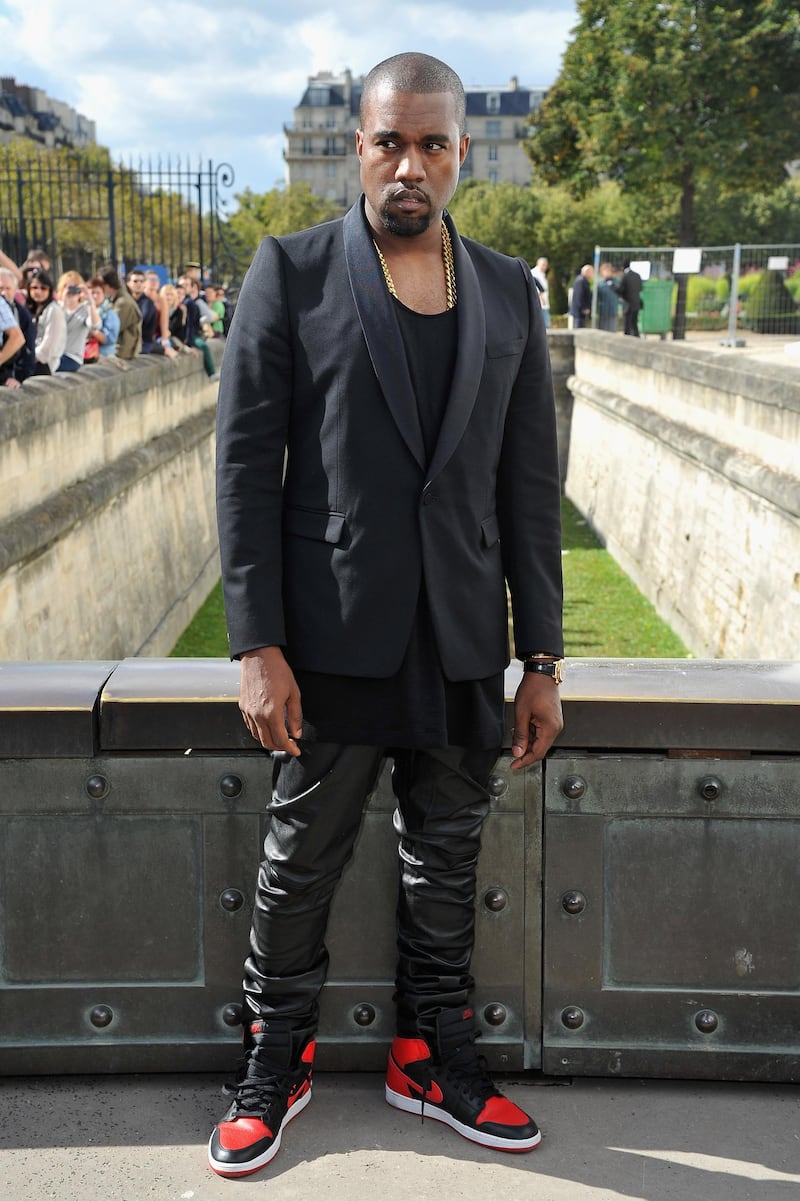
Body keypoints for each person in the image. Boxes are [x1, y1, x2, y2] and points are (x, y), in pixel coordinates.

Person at [209, 52, 564, 1180]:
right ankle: (273, 1063)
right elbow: (242, 471)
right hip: (327, 638)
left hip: (462, 637)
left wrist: (540, 654)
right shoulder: (290, 271)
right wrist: (255, 643)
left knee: (444, 862)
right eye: (387, 142)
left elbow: (526, 490)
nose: (408, 165)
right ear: (358, 144)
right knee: (298, 859)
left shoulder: (508, 290)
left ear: (460, 152)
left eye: (431, 145)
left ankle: (431, 1054)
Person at [55, 272, 101, 372]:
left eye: (75, 287)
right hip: (54, 354)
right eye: (67, 287)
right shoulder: (56, 307)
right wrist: (64, 304)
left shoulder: (84, 309)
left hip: (72, 357)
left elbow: (95, 325)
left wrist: (90, 301)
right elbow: (55, 327)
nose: (71, 291)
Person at [26, 269, 67, 375]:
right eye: (34, 287)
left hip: (43, 364)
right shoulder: (28, 309)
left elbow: (49, 346)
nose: (38, 291)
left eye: (43, 288)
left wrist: (30, 358)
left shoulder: (53, 310)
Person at [0, 267, 35, 386]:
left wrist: (18, 378)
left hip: (9, 375)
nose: (3, 293)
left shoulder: (22, 314)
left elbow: (28, 350)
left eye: (7, 288)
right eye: (0, 288)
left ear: (15, 290)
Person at [98, 266, 142, 360]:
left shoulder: (123, 303)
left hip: (122, 351)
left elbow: (111, 330)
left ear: (107, 285)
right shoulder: (115, 299)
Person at [87, 277, 121, 359]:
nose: (95, 296)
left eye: (98, 293)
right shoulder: (83, 310)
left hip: (104, 355)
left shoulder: (110, 314)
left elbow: (110, 339)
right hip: (86, 354)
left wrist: (92, 331)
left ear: (103, 294)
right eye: (92, 293)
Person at [617, 261, 643, 336]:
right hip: (636, 303)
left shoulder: (625, 276)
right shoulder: (637, 275)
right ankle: (636, 338)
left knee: (627, 325)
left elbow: (621, 289)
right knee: (634, 323)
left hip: (627, 304)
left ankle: (627, 341)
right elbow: (640, 288)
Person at [596, 262, 620, 332]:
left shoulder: (616, 282)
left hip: (613, 311)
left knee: (612, 331)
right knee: (602, 331)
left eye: (608, 271)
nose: (607, 273)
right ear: (602, 272)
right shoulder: (599, 283)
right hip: (603, 312)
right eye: (605, 271)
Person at [569, 264, 593, 328]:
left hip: (581, 312)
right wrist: (584, 308)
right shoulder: (580, 281)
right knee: (579, 330)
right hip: (579, 312)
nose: (592, 274)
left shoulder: (584, 281)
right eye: (591, 272)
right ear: (586, 272)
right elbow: (578, 296)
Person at [531, 256, 551, 328]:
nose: (545, 267)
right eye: (543, 265)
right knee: (545, 325)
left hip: (544, 304)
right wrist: (542, 299)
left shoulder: (542, 274)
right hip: (540, 303)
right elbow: (535, 289)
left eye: (546, 265)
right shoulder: (534, 273)